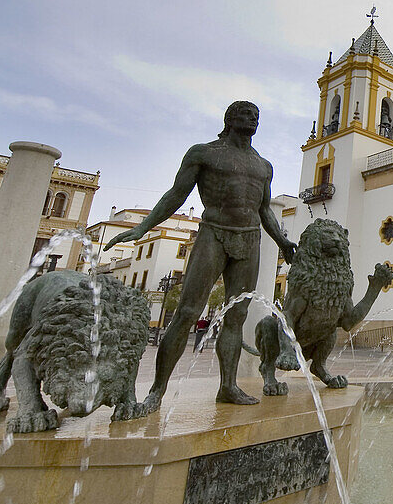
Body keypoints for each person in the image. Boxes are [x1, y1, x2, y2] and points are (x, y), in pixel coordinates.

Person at [104, 101, 296, 415]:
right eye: (247, 114)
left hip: (250, 238)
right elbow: (176, 195)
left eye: (257, 116)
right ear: (231, 119)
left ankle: (228, 386)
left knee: (236, 316)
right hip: (214, 233)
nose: (254, 119)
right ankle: (156, 392)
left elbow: (263, 210)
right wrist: (143, 226)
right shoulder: (203, 153)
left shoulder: (264, 166)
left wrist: (283, 241)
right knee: (187, 311)